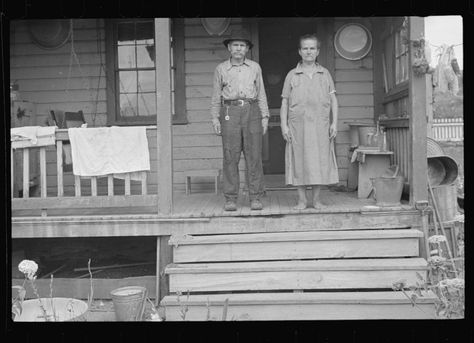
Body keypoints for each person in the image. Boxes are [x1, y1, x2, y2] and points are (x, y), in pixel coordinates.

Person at [210, 28, 270, 211]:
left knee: (254, 156)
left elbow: (261, 93)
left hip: (252, 111)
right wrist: (215, 118)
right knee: (230, 156)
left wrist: (265, 115)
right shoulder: (221, 68)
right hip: (229, 111)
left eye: (242, 45)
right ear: (229, 48)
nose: (238, 48)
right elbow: (215, 96)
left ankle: (255, 197)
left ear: (247, 49)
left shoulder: (254, 67)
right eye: (235, 45)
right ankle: (230, 198)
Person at [280, 34, 339, 210]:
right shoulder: (292, 75)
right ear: (300, 51)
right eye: (305, 48)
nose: (308, 52)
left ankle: (317, 200)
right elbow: (284, 101)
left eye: (312, 48)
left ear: (318, 51)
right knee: (299, 161)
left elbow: (333, 100)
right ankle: (302, 201)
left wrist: (334, 123)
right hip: (298, 126)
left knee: (319, 161)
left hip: (320, 126)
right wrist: (284, 125)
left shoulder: (325, 73)